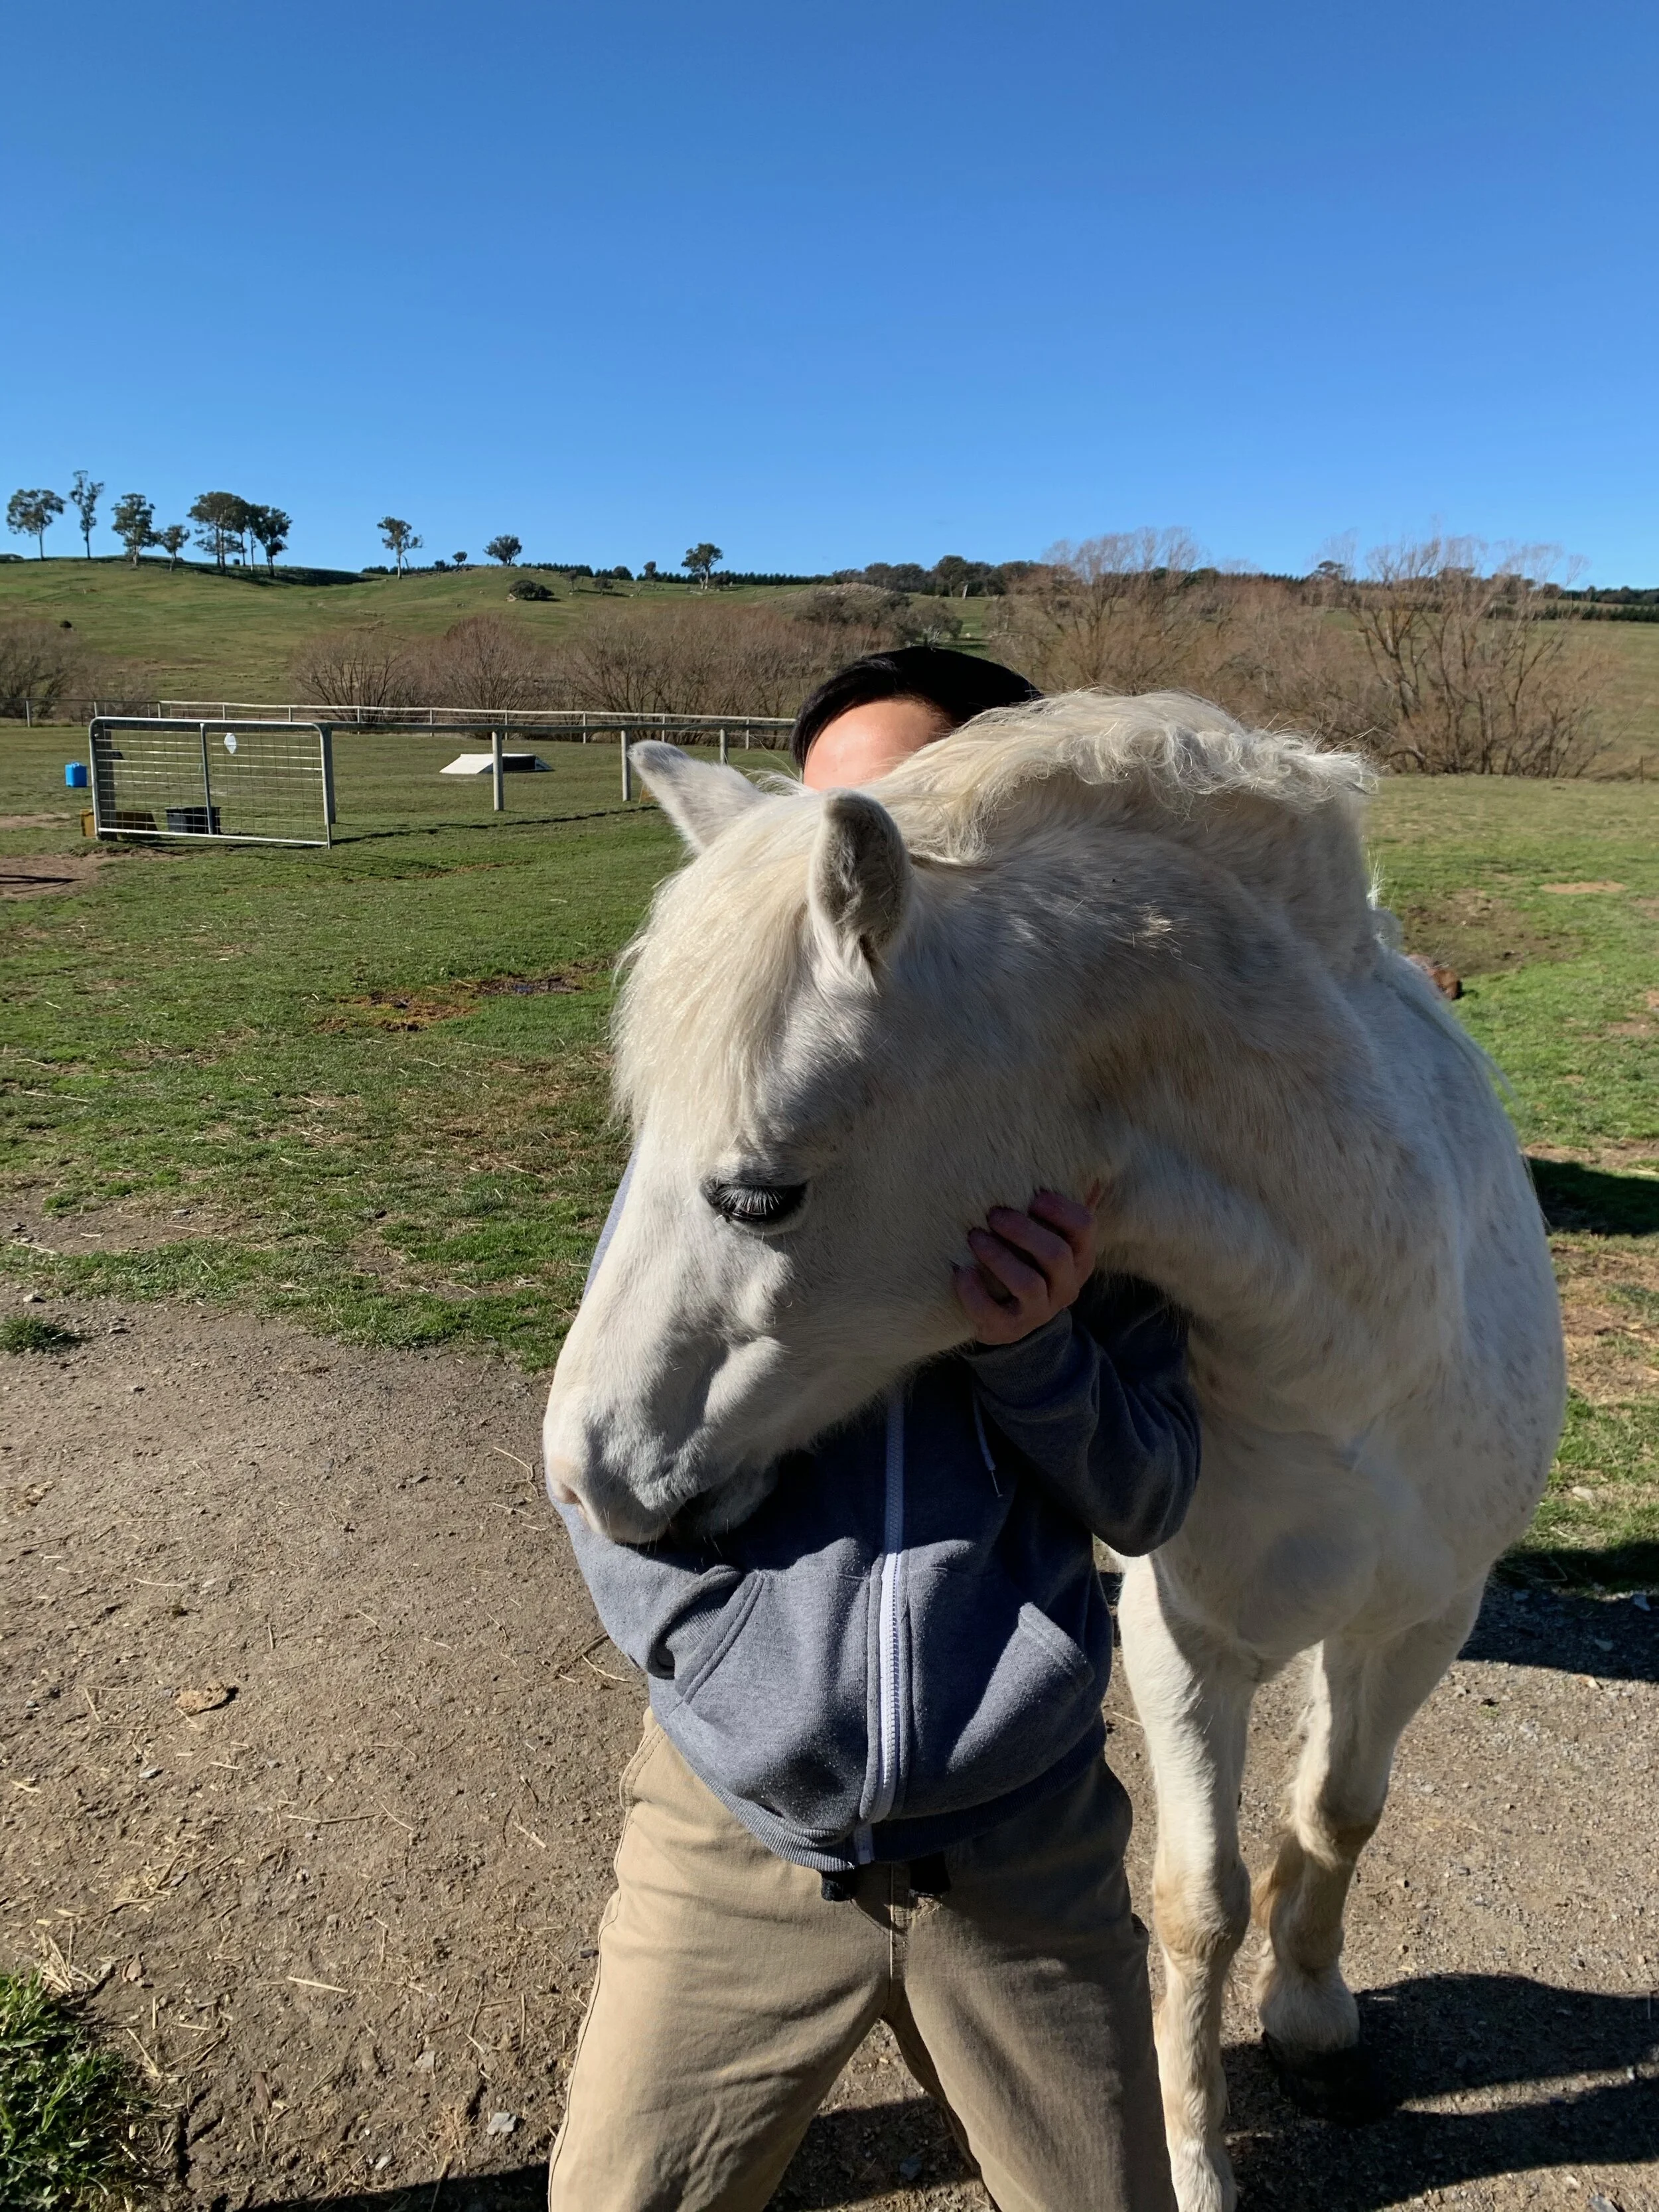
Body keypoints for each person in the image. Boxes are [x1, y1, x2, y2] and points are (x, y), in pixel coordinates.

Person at [547, 647, 1198, 2212]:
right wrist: (733, 1696)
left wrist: (1035, 1348)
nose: (859, 864)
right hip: (735, 1847)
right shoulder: (724, 1135)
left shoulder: (1088, 1185)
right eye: (835, 818)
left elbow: (1150, 1492)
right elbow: (602, 1467)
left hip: (1021, 1863)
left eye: (902, 815)